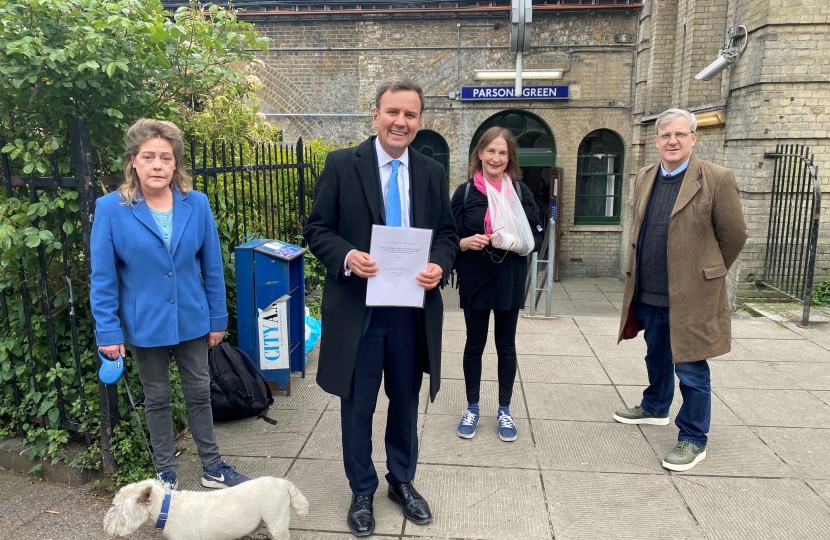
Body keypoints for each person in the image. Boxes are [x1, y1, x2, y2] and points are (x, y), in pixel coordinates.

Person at [303, 77, 457, 537]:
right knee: (358, 405)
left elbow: (447, 235)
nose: (400, 122)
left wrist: (438, 264)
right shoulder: (341, 164)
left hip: (411, 311)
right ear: (375, 115)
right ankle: (362, 489)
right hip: (360, 310)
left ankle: (401, 481)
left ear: (419, 121)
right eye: (393, 112)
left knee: (406, 401)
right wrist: (348, 257)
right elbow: (318, 230)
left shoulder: (431, 172)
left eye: (410, 114)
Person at [90, 118, 250, 490]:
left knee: (199, 392)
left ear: (176, 163)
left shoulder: (197, 203)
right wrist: (109, 332)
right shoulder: (111, 208)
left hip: (192, 318)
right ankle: (166, 473)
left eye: (166, 157)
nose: (158, 165)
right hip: (144, 323)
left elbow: (212, 265)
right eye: (148, 157)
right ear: (133, 161)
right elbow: (103, 278)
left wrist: (217, 318)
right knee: (157, 397)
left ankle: (213, 468)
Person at [614, 108, 747, 471]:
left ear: (693, 138)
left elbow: (734, 235)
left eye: (680, 134)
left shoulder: (716, 179)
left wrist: (709, 273)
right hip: (649, 290)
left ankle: (693, 438)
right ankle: (655, 405)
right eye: (665, 135)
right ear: (657, 141)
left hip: (691, 295)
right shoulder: (645, 176)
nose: (672, 141)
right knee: (655, 354)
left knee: (690, 367)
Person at [450, 127, 543, 442]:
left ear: (509, 158)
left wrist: (514, 240)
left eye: (502, 153)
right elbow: (447, 237)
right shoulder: (465, 193)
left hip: (509, 277)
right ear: (480, 153)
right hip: (475, 278)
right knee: (474, 344)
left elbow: (536, 236)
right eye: (491, 151)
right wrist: (464, 242)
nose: (496, 158)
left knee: (506, 345)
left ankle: (505, 409)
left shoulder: (520, 192)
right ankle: (472, 407)